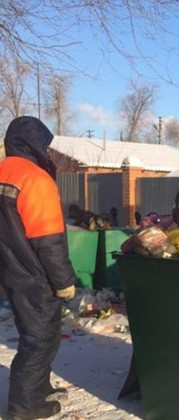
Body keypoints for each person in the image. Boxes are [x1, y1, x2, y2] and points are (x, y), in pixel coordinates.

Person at [0, 116, 77, 419]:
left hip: (9, 272)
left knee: (33, 335)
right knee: (39, 340)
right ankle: (26, 407)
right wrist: (64, 281)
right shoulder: (35, 179)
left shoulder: (3, 172)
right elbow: (49, 241)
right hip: (34, 276)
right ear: (34, 144)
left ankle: (39, 389)